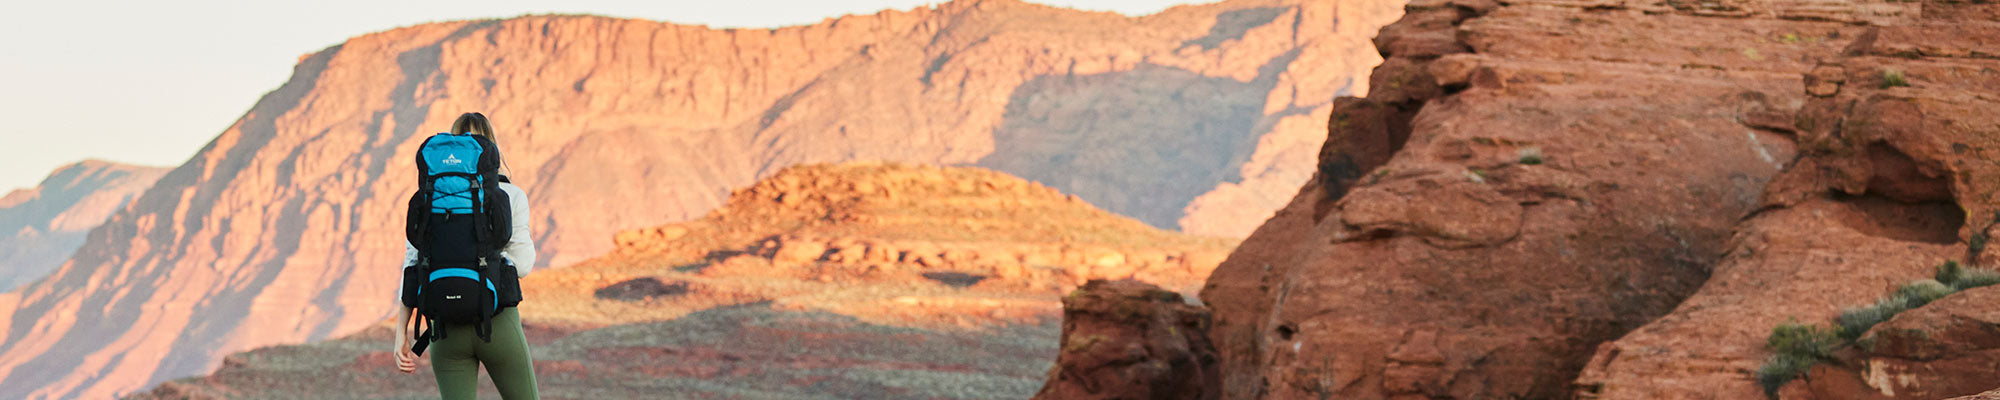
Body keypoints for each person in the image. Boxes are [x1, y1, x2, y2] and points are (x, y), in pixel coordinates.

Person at [393, 112, 540, 399]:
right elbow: (523, 266)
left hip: (445, 332)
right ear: (490, 149)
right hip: (497, 323)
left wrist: (402, 333)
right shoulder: (511, 196)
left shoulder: (428, 199)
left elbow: (412, 266)